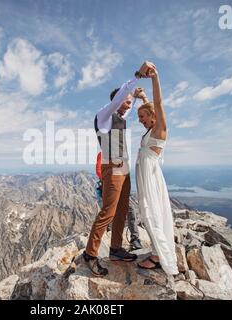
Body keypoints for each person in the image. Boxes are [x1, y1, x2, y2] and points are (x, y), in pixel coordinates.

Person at [82, 62, 151, 277]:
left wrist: (139, 97)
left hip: (124, 169)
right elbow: (122, 93)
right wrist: (138, 76)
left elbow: (127, 107)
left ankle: (115, 249)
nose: (128, 103)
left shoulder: (120, 117)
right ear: (117, 101)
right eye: (126, 100)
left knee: (121, 211)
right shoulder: (103, 117)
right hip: (112, 169)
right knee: (108, 213)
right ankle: (90, 255)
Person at [135, 62, 178, 275]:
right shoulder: (152, 128)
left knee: (151, 213)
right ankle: (158, 251)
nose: (141, 121)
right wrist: (143, 98)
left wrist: (154, 77)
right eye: (139, 118)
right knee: (150, 212)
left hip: (150, 179)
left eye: (143, 118)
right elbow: (151, 106)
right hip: (147, 178)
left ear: (153, 117)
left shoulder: (160, 129)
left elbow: (158, 103)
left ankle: (158, 256)